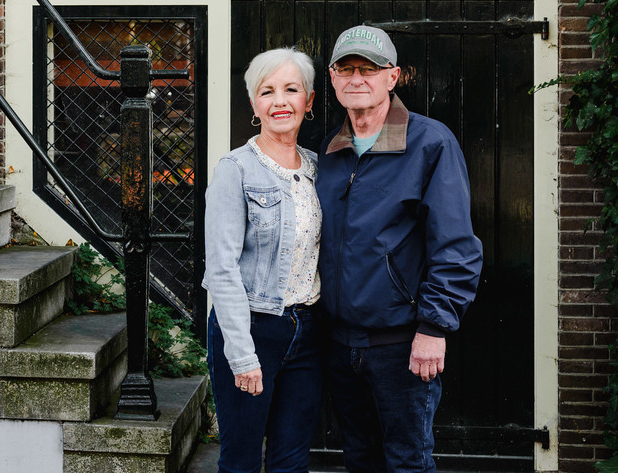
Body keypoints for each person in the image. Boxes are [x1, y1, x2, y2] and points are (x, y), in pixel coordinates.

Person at [315, 25, 483, 473]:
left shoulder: (430, 143)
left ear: (393, 77)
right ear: (332, 79)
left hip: (401, 345)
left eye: (369, 70)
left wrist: (433, 327)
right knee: (359, 460)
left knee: (407, 463)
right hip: (338, 344)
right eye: (346, 69)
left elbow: (456, 247)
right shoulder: (329, 152)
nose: (356, 79)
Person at [204, 47, 324, 473]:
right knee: (240, 460)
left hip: (307, 331)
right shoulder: (234, 170)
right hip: (251, 327)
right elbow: (221, 268)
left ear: (308, 101)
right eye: (267, 91)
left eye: (291, 90)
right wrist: (241, 354)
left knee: (291, 462)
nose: (280, 101)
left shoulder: (317, 168)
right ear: (254, 104)